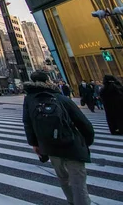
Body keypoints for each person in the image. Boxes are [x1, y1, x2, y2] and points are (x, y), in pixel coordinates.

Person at [23, 72, 94, 205]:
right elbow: (84, 123)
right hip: (72, 145)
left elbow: (27, 123)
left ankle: (72, 202)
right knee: (78, 184)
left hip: (50, 146)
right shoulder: (59, 97)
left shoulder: (29, 99)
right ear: (48, 80)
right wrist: (86, 141)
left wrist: (35, 144)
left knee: (64, 179)